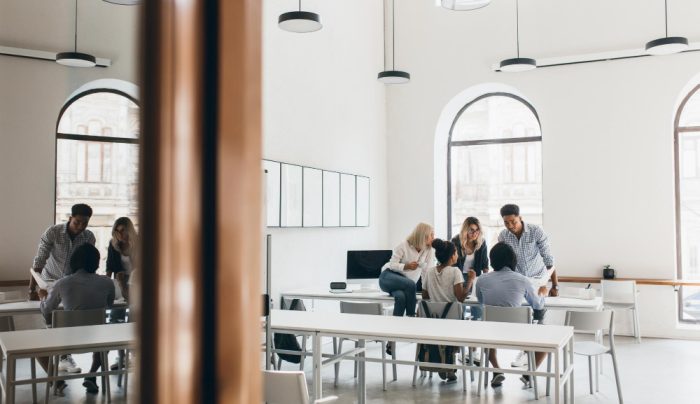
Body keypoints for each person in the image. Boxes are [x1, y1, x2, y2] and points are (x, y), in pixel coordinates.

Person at [39, 244, 115, 396]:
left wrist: (42, 298)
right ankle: (92, 375)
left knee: (36, 346)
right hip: (98, 339)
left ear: (73, 262)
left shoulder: (62, 283)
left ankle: (56, 381)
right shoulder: (107, 282)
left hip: (67, 341)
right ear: (96, 262)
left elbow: (47, 312)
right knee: (104, 335)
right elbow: (109, 305)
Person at [475, 242, 548, 388]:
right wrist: (543, 294)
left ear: (492, 260)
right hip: (518, 335)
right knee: (547, 340)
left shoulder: (482, 279)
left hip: (490, 333)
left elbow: (481, 302)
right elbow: (537, 305)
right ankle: (529, 374)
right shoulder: (523, 280)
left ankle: (496, 370)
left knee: (489, 328)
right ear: (513, 260)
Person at [421, 238, 467, 382]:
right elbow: (460, 298)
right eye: (456, 253)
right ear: (453, 255)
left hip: (433, 320)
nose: (457, 255)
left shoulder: (429, 272)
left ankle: (444, 364)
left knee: (445, 328)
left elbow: (425, 295)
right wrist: (470, 280)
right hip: (452, 322)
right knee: (460, 323)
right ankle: (449, 365)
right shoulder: (455, 271)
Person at [30, 204, 95, 300]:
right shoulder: (53, 232)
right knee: (49, 313)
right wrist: (31, 289)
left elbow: (88, 264)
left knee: (70, 314)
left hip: (73, 285)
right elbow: (40, 260)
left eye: (84, 223)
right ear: (70, 218)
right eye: (77, 222)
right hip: (49, 283)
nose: (80, 227)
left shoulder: (89, 237)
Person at [379, 223, 435, 318]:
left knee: (401, 297)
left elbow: (426, 272)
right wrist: (406, 266)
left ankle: (395, 329)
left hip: (405, 286)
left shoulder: (429, 250)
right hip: (388, 276)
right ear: (423, 236)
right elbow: (392, 264)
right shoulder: (403, 245)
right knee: (411, 284)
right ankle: (411, 317)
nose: (433, 238)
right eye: (431, 235)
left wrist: (427, 290)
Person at [451, 217, 489, 319]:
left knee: (477, 307)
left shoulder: (482, 243)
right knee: (460, 306)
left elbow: (485, 265)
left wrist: (485, 280)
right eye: (471, 230)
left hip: (475, 277)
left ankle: (477, 325)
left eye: (477, 230)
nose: (475, 233)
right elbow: (452, 263)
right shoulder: (455, 241)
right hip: (458, 277)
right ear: (465, 230)